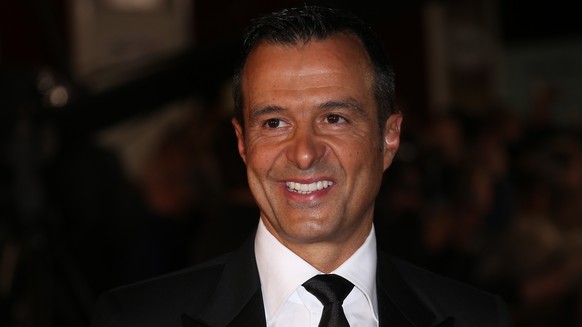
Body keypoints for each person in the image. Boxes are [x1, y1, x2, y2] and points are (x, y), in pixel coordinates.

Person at [91, 5, 510, 327]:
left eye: (334, 119)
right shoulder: (137, 318)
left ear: (389, 138)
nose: (304, 153)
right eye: (274, 123)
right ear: (242, 143)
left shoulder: (476, 317)